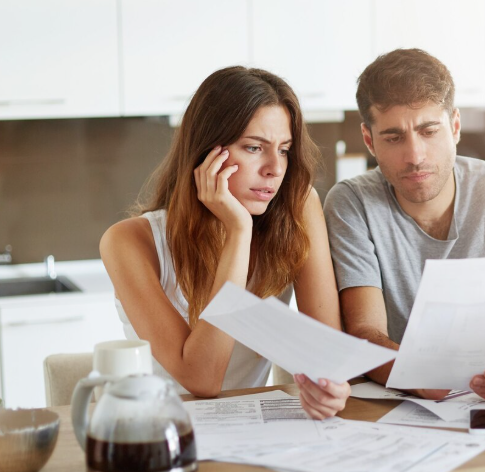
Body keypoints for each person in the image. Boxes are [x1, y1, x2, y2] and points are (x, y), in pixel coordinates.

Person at [101, 66, 350, 419]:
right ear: (206, 154)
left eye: (284, 150)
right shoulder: (127, 242)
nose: (274, 169)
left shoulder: (296, 208)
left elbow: (327, 354)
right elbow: (202, 380)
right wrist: (238, 231)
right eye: (253, 147)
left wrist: (330, 384)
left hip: (251, 431)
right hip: (156, 433)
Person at [324, 49, 485, 403]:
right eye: (393, 137)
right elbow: (365, 331)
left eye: (428, 130)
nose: (415, 155)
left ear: (454, 126)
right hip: (400, 403)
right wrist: (420, 377)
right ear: (368, 140)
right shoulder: (351, 204)